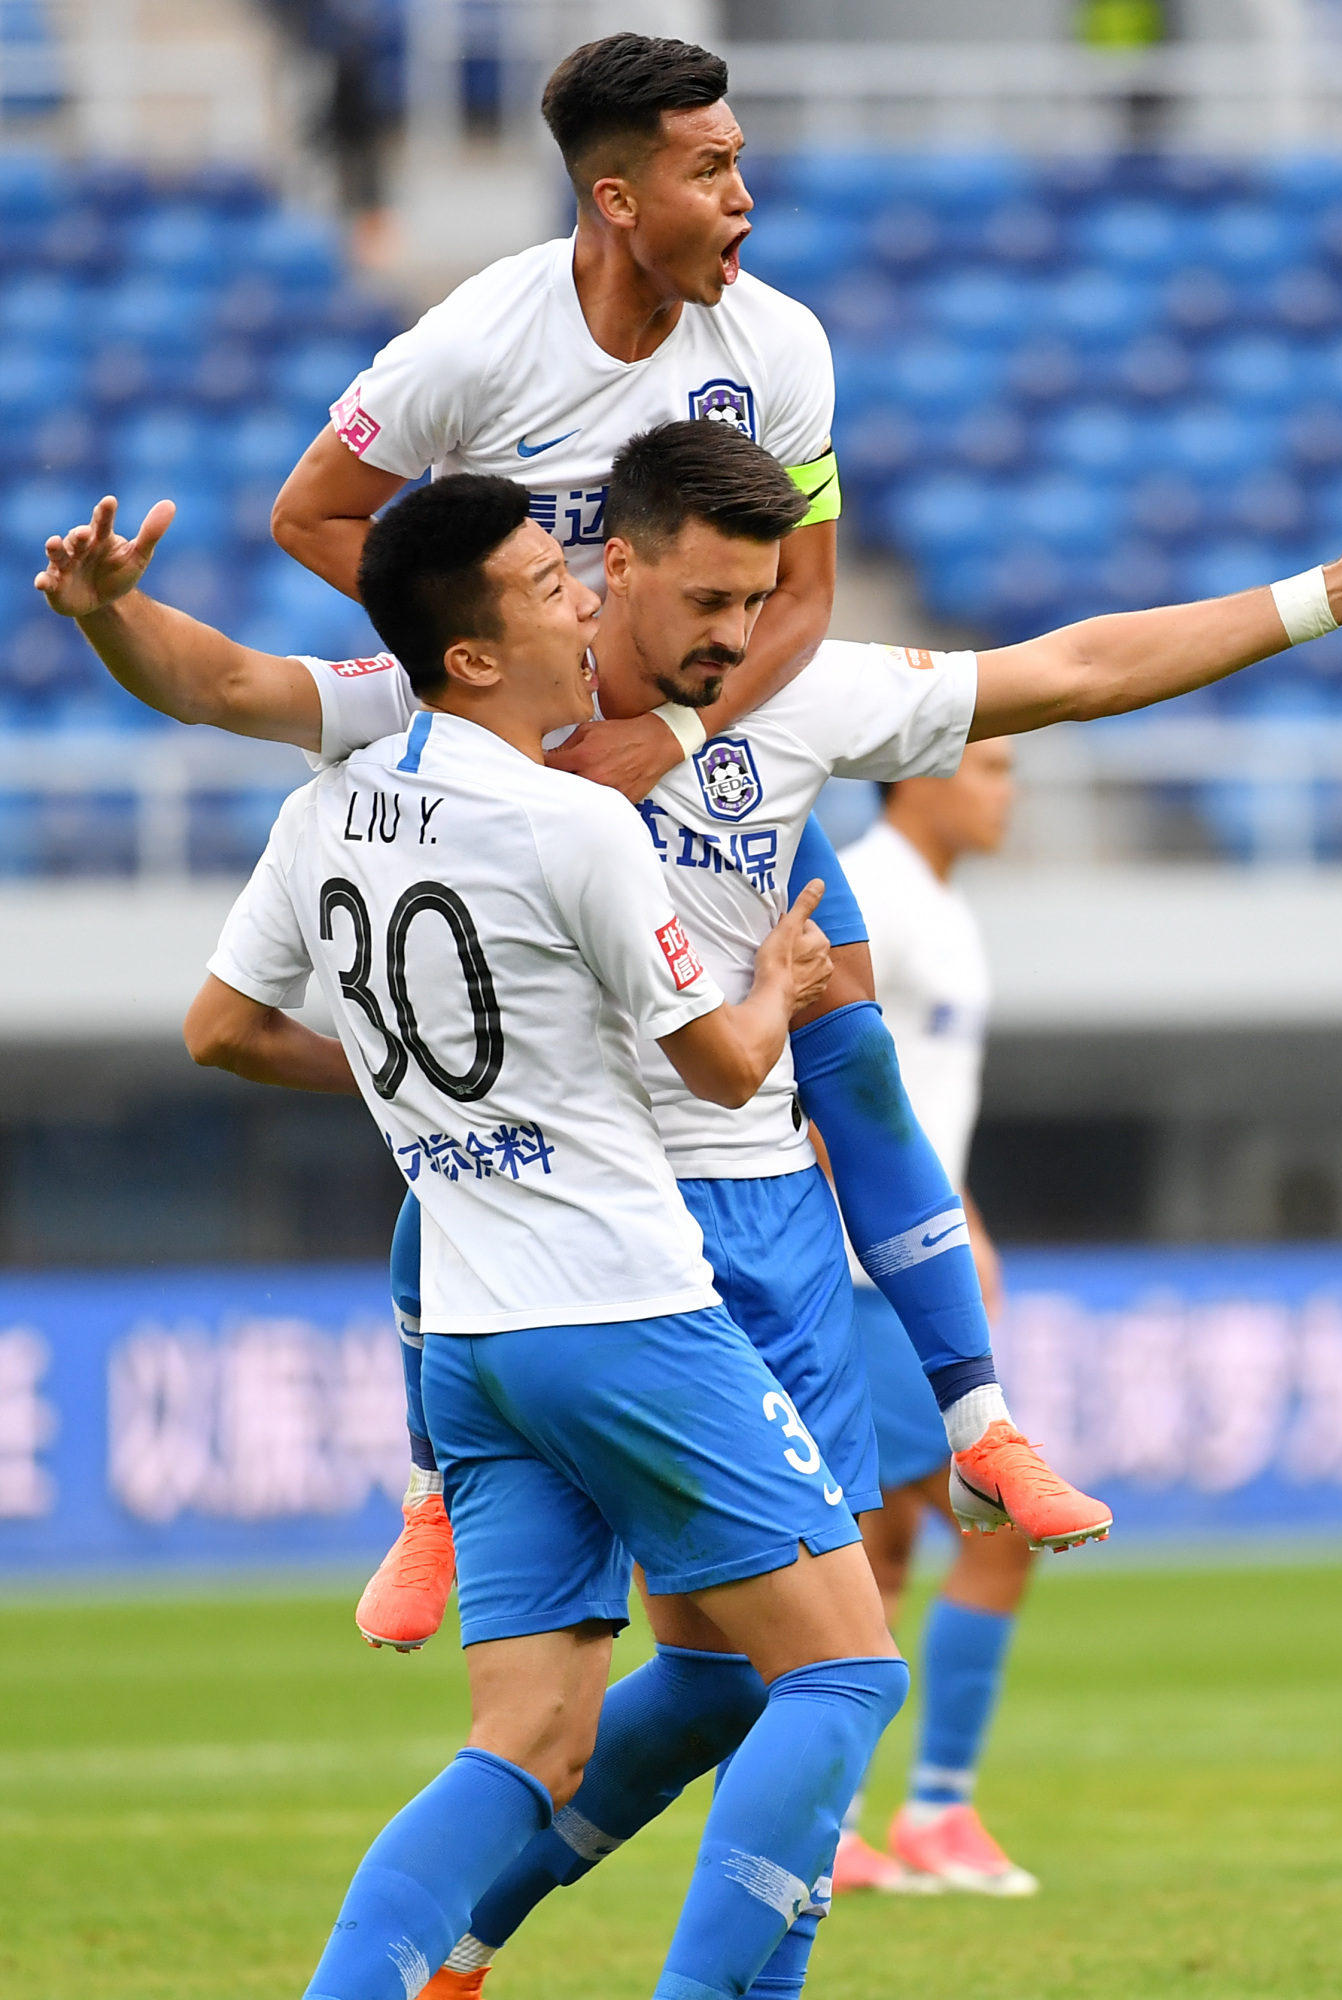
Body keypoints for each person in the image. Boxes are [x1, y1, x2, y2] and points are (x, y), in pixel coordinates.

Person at [39, 427, 1342, 1988]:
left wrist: (1321, 596)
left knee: (624, 1710)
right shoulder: (486, 745)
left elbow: (1073, 669)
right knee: (841, 1669)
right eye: (707, 600)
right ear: (608, 568)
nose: (743, 634)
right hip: (631, 1273)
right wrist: (755, 992)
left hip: (639, 1267)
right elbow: (221, 683)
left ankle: (448, 1942)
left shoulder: (744, 708)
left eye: (765, 599)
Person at [266, 30, 1033, 1650]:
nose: (746, 195)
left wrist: (674, 732)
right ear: (617, 198)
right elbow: (312, 516)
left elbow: (803, 600)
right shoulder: (477, 345)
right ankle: (429, 1485)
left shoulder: (781, 343)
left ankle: (981, 1421)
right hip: (538, 788)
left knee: (851, 1050)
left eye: (740, 159)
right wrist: (505, 675)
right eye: (711, 168)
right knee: (493, 1089)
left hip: (712, 756)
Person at [179, 469, 911, 2000]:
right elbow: (726, 1068)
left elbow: (222, 1030)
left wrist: (416, 1085)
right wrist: (778, 982)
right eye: (544, 585)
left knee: (525, 1740)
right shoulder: (575, 822)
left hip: (471, 1344)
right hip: (626, 1312)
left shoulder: (323, 812)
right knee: (842, 1669)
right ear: (470, 654)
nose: (585, 601)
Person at [830, 740, 1042, 1898]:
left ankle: (836, 1823)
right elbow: (815, 1081)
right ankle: (934, 1808)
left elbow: (907, 1101)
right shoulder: (870, 891)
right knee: (996, 1526)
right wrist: (918, 1226)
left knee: (880, 1550)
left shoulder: (940, 906)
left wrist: (964, 1216)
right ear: (914, 772)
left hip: (899, 1270)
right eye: (991, 766)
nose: (1008, 790)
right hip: (862, 1279)